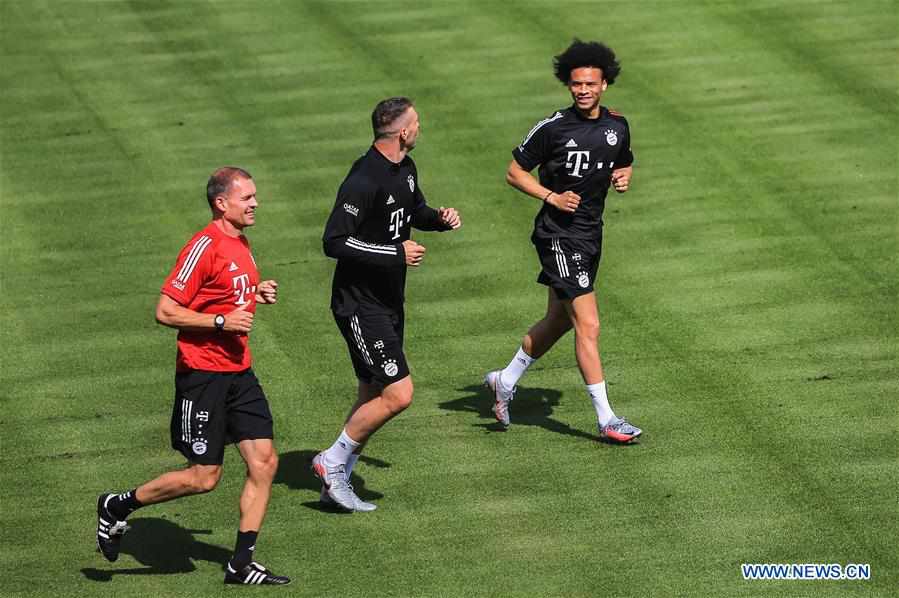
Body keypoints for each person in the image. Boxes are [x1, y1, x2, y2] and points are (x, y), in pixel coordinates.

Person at [95, 167, 290, 585]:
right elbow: (165, 310)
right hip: (203, 375)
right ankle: (117, 506)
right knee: (204, 478)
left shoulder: (240, 241)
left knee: (265, 462)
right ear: (222, 203)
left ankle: (240, 564)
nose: (255, 203)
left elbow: (228, 291)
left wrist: (256, 292)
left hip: (240, 371)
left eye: (255, 196)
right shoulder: (203, 247)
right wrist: (221, 321)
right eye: (247, 198)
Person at [484, 40, 643, 443]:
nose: (583, 90)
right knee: (588, 325)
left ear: (605, 84)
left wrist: (623, 177)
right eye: (576, 84)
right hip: (559, 236)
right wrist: (551, 196)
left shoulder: (616, 126)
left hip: (591, 233)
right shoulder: (553, 128)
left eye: (590, 83)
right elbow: (514, 172)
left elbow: (623, 159)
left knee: (558, 320)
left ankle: (505, 380)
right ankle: (606, 418)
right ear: (568, 85)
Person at [316, 97, 461, 512]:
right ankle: (330, 461)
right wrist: (395, 254)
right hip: (360, 305)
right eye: (416, 123)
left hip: (388, 300)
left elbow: (411, 210)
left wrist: (438, 219)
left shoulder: (404, 169)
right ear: (402, 132)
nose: (420, 128)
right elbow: (334, 241)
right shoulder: (364, 179)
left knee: (371, 391)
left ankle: (335, 482)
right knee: (399, 394)